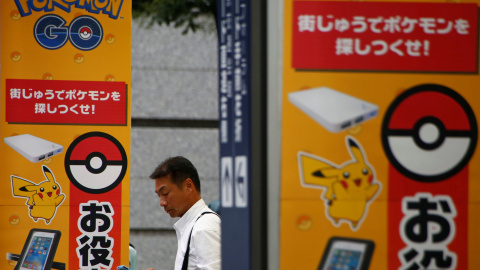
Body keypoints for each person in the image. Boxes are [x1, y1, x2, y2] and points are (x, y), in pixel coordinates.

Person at [145, 156, 221, 270]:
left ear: (188, 186)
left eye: (165, 193)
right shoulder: (195, 225)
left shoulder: (204, 227)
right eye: (158, 195)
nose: (162, 202)